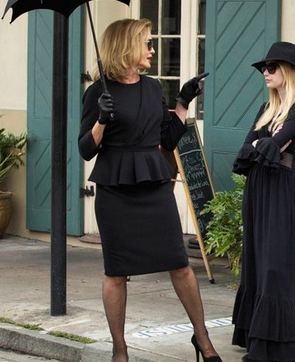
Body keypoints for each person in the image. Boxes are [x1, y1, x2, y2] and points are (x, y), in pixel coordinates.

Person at [78, 18, 220, 362]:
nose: (153, 50)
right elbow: (85, 149)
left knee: (180, 264)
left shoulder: (153, 87)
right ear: (128, 46)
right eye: (147, 43)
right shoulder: (98, 92)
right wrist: (100, 120)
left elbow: (167, 139)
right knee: (116, 271)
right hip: (116, 190)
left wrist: (184, 102)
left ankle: (203, 341)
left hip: (154, 185)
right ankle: (120, 349)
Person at [231, 41, 295, 362]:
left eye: (272, 68)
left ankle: (277, 345)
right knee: (256, 260)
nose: (265, 73)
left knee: (275, 265)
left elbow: (268, 146)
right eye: (264, 68)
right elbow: (246, 150)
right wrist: (265, 143)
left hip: (281, 190)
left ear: (289, 72)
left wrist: (263, 142)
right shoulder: (267, 108)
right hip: (257, 190)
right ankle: (256, 335)